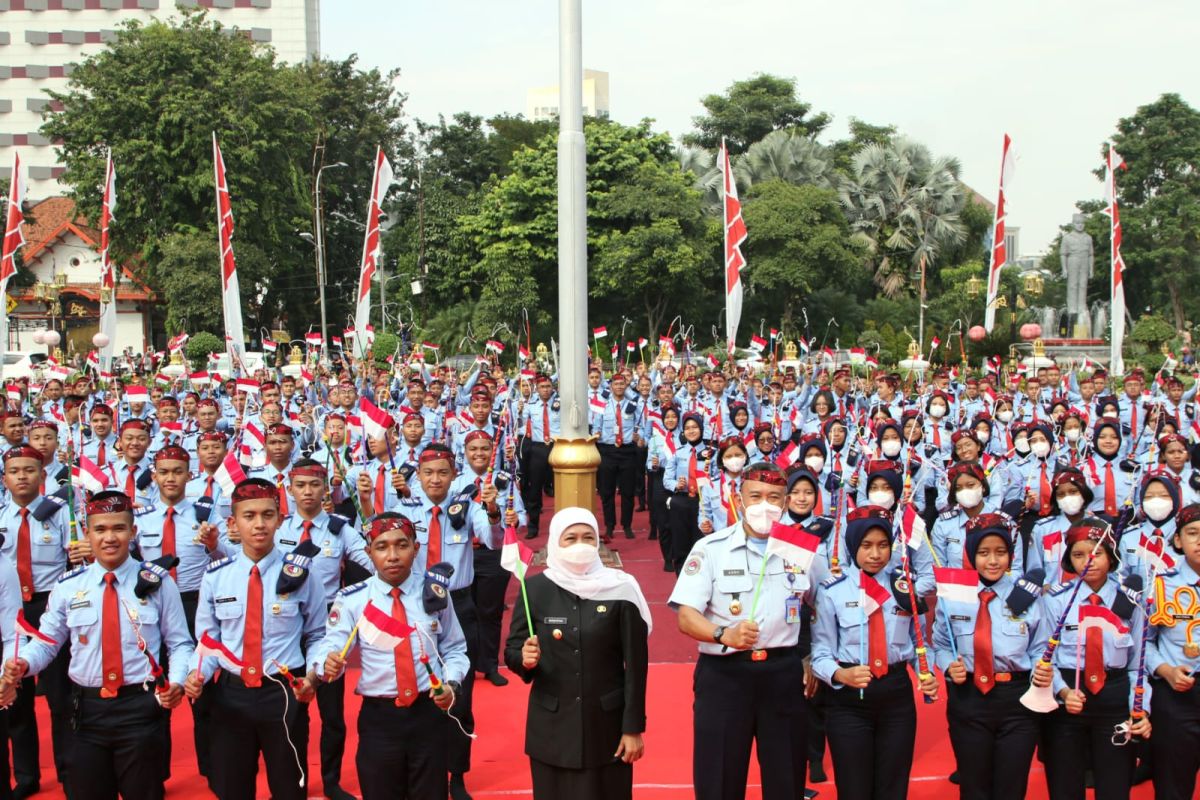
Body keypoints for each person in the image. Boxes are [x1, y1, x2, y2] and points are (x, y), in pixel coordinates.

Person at [2, 491, 193, 800]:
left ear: (133, 532)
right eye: (100, 529)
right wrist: (23, 663)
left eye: (118, 528)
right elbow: (46, 643)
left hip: (140, 710)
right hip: (85, 713)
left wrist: (179, 682)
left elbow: (180, 644)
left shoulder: (159, 583)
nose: (109, 538)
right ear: (87, 533)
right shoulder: (68, 586)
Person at [669, 463, 814, 800]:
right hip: (725, 676)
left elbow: (823, 608)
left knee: (786, 778)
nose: (766, 505)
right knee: (719, 777)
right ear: (739, 498)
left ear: (786, 501)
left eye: (774, 498)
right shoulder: (711, 549)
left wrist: (811, 657)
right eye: (757, 496)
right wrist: (723, 634)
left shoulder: (801, 550)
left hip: (782, 675)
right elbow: (686, 615)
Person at [183, 478, 325, 800]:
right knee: (232, 788)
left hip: (284, 695)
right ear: (233, 522)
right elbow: (207, 640)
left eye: (267, 514)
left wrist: (314, 678)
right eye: (249, 516)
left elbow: (317, 634)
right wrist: (198, 674)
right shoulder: (217, 576)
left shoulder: (303, 574)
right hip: (230, 697)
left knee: (289, 788)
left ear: (280, 519)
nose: (259, 524)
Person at [314, 514, 468, 800]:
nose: (393, 556)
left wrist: (452, 684)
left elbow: (455, 649)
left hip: (428, 714)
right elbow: (329, 644)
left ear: (416, 548)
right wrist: (328, 661)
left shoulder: (433, 594)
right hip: (379, 720)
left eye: (402, 545)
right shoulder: (354, 599)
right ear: (369, 551)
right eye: (382, 547)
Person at [505, 507, 650, 799]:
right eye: (570, 538)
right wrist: (524, 659)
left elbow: (636, 665)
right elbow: (512, 650)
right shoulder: (533, 588)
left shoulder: (621, 589)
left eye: (588, 537)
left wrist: (633, 728)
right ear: (556, 543)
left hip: (607, 728)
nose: (580, 545)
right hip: (552, 729)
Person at [811, 505, 940, 800]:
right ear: (853, 546)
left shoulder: (904, 587)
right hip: (849, 700)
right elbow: (820, 652)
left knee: (892, 787)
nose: (875, 554)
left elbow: (920, 645)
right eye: (866, 545)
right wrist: (841, 673)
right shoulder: (833, 591)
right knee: (854, 787)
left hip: (896, 698)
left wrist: (926, 672)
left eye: (883, 545)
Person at [932, 513, 1045, 800]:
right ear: (971, 555)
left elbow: (1039, 647)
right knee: (974, 785)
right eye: (983, 553)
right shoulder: (953, 594)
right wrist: (948, 666)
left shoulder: (1026, 597)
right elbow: (941, 644)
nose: (992, 561)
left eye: (1000, 553)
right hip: (968, 699)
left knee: (1011, 785)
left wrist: (1041, 670)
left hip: (1017, 701)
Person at [1039, 518, 1149, 800]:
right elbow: (1043, 658)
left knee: (1114, 786)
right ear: (1068, 560)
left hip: (1114, 698)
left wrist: (1140, 707)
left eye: (1096, 553)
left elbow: (1138, 664)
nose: (1089, 561)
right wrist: (1062, 692)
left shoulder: (1129, 601)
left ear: (1111, 557)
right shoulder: (1056, 601)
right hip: (1068, 699)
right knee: (1064, 786)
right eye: (1078, 554)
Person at [1148, 503, 1200, 799]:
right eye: (1192, 533)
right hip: (1177, 694)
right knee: (1173, 786)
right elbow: (1144, 642)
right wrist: (1165, 670)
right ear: (1178, 540)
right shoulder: (1161, 585)